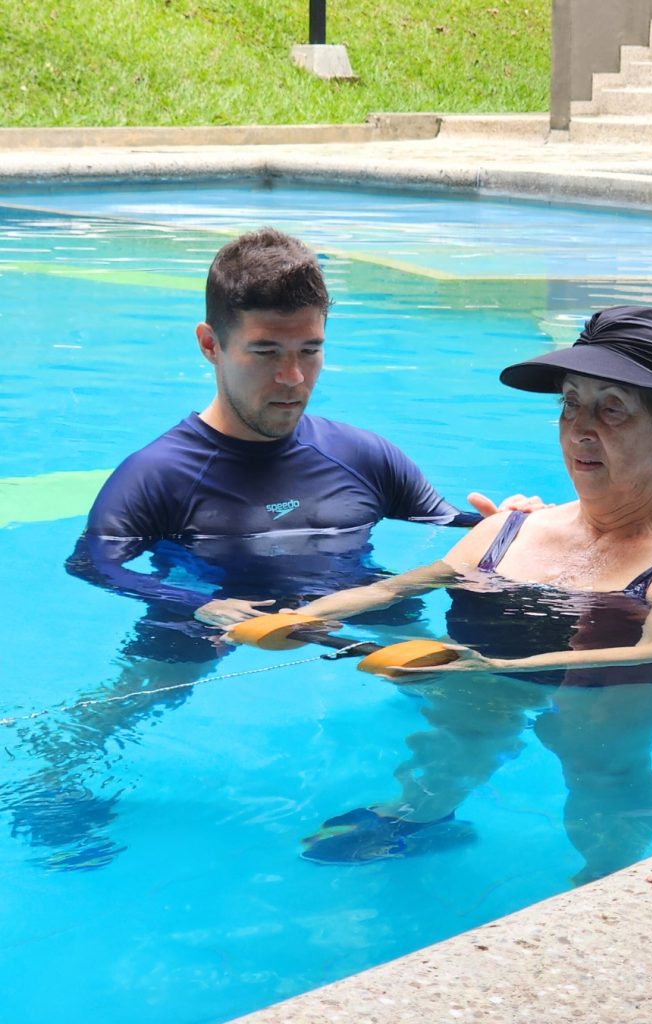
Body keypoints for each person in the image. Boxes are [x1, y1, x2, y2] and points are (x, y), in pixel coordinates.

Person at [6, 227, 535, 872]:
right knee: (110, 711)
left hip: (361, 603)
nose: (292, 378)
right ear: (211, 345)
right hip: (211, 613)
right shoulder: (160, 472)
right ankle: (49, 793)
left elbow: (448, 520)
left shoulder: (360, 453)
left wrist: (507, 524)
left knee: (491, 699)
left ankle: (418, 817)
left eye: (310, 350)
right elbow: (94, 561)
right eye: (265, 352)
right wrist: (200, 607)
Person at [283, 306, 652, 876]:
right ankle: (420, 818)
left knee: (595, 756)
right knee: (465, 716)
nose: (580, 429)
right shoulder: (509, 531)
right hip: (492, 660)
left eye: (612, 409)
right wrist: (294, 618)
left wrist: (486, 664)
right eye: (571, 403)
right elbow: (409, 584)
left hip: (614, 684)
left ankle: (609, 876)